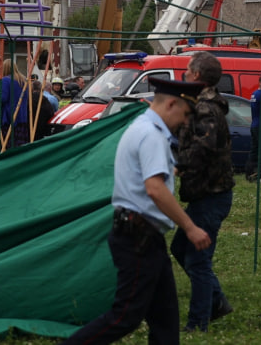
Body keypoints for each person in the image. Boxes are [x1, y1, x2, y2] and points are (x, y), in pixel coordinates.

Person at [57, 79, 210, 345]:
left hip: (144, 235)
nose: (185, 122)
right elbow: (154, 189)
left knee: (165, 319)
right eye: (185, 114)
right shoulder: (151, 135)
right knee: (125, 316)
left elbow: (147, 176)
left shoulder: (141, 127)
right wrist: (190, 227)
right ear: (171, 104)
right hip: (138, 237)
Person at [171, 51, 234, 333]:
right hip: (203, 193)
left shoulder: (206, 108)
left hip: (212, 194)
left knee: (198, 260)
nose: (184, 73)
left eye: (187, 70)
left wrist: (177, 167)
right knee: (179, 248)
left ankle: (198, 324)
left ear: (196, 75)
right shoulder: (201, 104)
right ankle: (217, 301)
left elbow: (203, 147)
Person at [0, 58, 32, 148]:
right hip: (22, 117)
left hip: (8, 118)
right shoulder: (23, 80)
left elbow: (2, 98)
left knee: (6, 146)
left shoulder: (5, 80)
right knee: (19, 147)